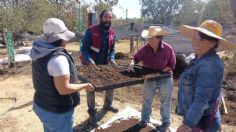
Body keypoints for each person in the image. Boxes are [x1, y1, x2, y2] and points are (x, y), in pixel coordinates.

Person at [30, 18, 94, 132]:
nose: (66, 41)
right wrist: (85, 86)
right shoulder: (58, 58)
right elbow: (63, 89)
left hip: (42, 105)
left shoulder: (39, 50)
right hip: (57, 111)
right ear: (60, 38)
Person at [176, 20, 236, 132]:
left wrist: (187, 125)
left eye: (201, 39)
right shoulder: (199, 59)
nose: (195, 42)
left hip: (202, 121)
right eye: (195, 37)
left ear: (213, 43)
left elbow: (202, 99)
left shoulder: (209, 65)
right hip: (199, 117)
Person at [127, 26, 176, 131]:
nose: (149, 40)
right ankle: (144, 120)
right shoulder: (145, 49)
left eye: (152, 38)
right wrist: (131, 64)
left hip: (165, 76)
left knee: (165, 101)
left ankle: (166, 122)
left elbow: (172, 64)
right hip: (149, 77)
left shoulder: (168, 49)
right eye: (148, 38)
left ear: (159, 38)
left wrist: (161, 71)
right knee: (147, 99)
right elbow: (135, 58)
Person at [80, 10, 118, 127]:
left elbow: (112, 49)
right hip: (91, 64)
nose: (108, 19)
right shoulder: (91, 30)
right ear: (100, 19)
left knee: (110, 83)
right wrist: (89, 60)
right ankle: (92, 112)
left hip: (105, 63)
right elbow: (83, 48)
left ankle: (107, 105)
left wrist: (112, 58)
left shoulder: (112, 32)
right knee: (91, 88)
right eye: (106, 17)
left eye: (110, 17)